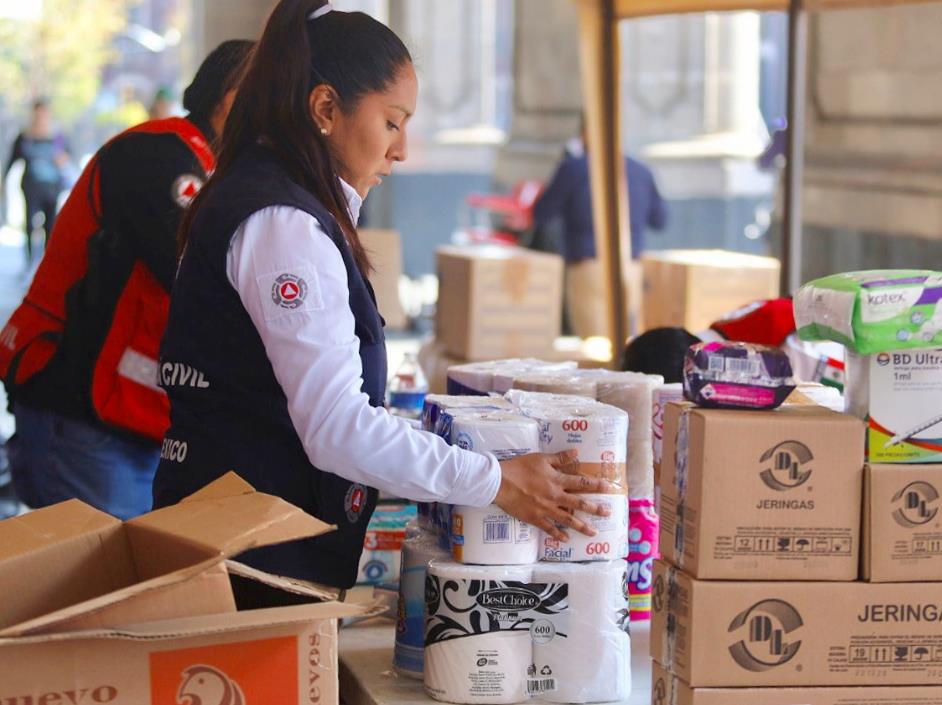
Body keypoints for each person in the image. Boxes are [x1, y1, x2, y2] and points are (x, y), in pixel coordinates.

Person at [152, 0, 609, 605]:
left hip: (235, 537)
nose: (402, 151)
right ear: (324, 109)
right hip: (250, 562)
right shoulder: (282, 223)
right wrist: (494, 481)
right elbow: (337, 427)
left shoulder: (263, 197)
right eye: (392, 122)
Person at [0, 40, 254, 520]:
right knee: (111, 589)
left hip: (134, 421)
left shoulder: (220, 173)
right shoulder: (162, 153)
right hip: (83, 419)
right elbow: (200, 281)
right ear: (234, 99)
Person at [532, 119, 669, 339]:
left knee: (593, 346)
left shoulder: (574, 168)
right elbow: (660, 220)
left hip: (589, 266)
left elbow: (542, 212)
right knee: (623, 343)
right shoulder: (642, 171)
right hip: (631, 267)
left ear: (586, 134)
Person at [3, 99, 69, 264]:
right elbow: (12, 160)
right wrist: (3, 181)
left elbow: (67, 159)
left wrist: (62, 160)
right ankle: (30, 260)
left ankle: (47, 261)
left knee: (50, 225)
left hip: (52, 188)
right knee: (30, 224)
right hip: (31, 187)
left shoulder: (57, 137)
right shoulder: (25, 137)